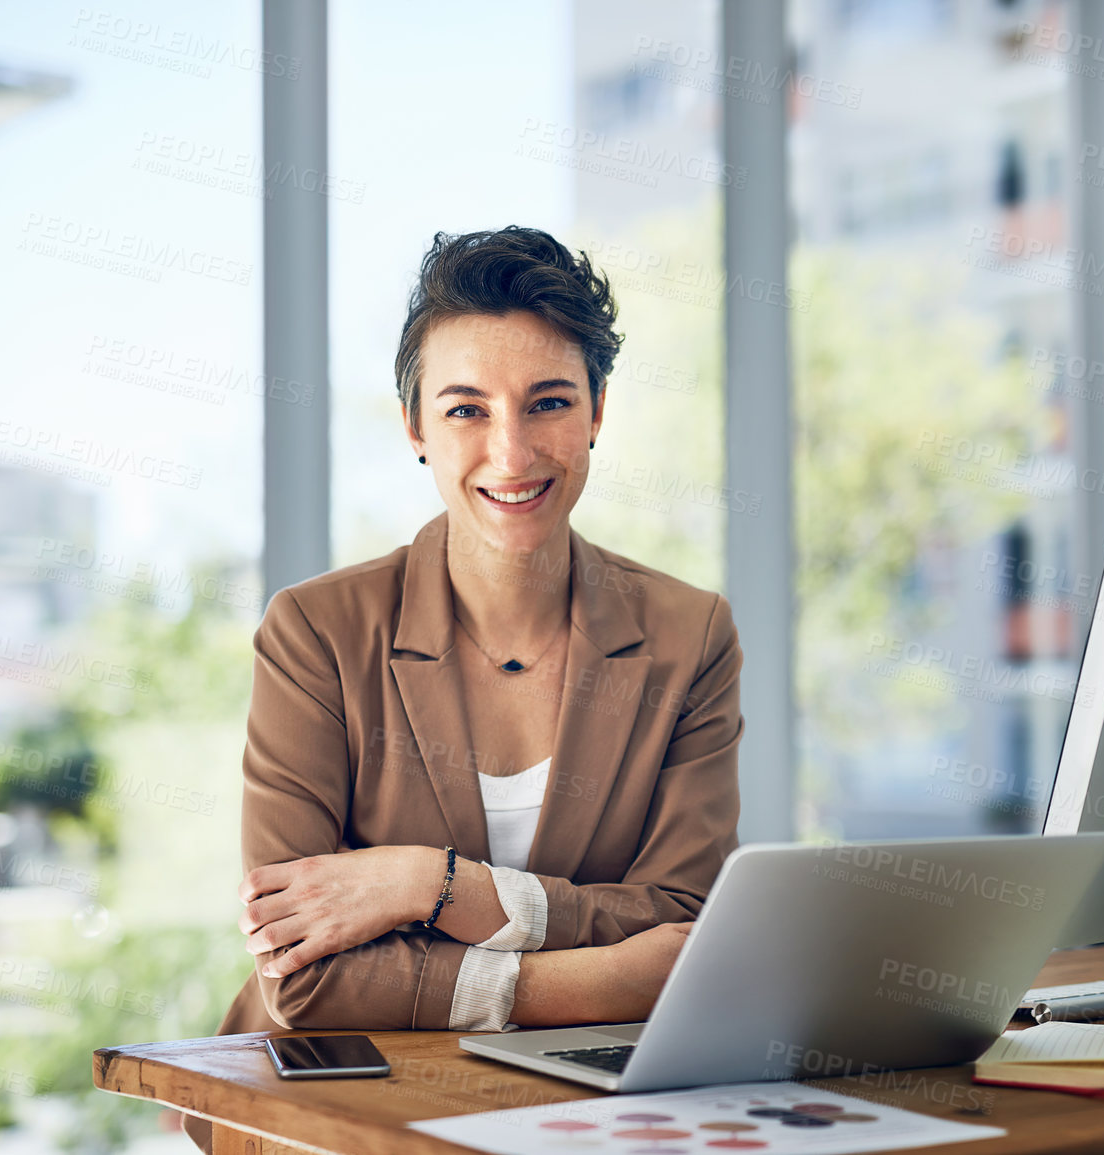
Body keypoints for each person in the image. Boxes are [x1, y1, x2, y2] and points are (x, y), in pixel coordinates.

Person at [186, 225, 742, 1150]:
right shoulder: (317, 632)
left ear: (598, 410)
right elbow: (305, 976)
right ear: (414, 427)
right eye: (465, 409)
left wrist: (428, 885)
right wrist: (593, 976)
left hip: (587, 1115)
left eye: (548, 402)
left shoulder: (688, 636)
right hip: (351, 1113)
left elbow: (682, 927)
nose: (511, 452)